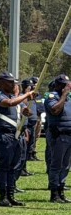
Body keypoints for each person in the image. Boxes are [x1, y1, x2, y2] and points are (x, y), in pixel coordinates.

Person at [0, 72, 34, 207]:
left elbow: (20, 110)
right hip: (5, 136)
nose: (13, 84)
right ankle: (3, 196)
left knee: (14, 167)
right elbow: (9, 104)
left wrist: (26, 111)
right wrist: (26, 95)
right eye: (10, 82)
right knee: (5, 166)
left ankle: (11, 194)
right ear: (1, 83)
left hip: (17, 135)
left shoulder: (15, 98)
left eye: (13, 82)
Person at [44, 75, 71, 203]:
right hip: (58, 135)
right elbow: (55, 110)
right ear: (58, 85)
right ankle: (54, 193)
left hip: (69, 135)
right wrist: (64, 95)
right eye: (65, 85)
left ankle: (61, 190)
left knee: (65, 165)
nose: (67, 87)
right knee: (56, 164)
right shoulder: (51, 97)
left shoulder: (69, 98)